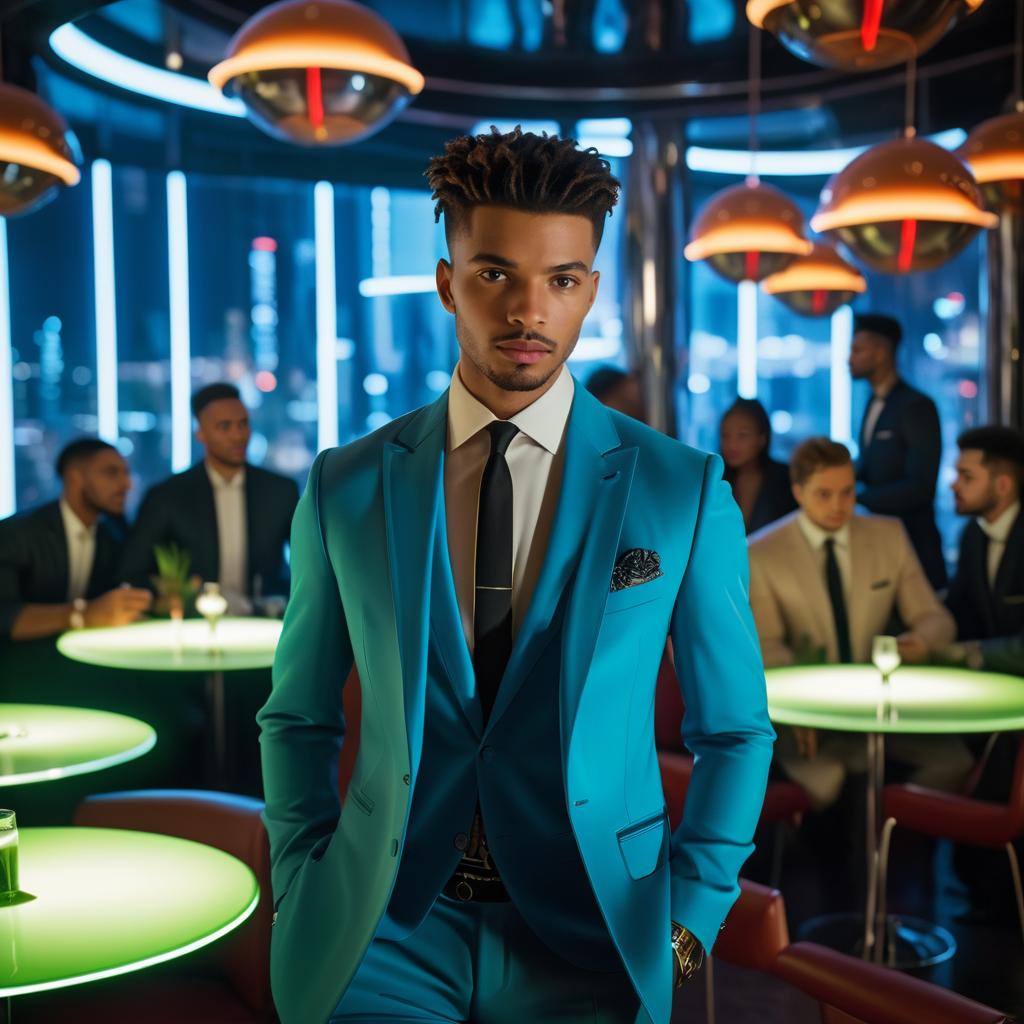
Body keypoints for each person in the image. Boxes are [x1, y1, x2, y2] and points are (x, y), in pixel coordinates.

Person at [259, 127, 775, 1024]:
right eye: (495, 274)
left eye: (561, 281)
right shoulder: (347, 483)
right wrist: (303, 871)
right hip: (386, 928)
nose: (528, 311)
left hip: (592, 932)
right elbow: (297, 715)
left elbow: (734, 730)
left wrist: (689, 920)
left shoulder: (677, 486)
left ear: (592, 292)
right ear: (447, 283)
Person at [747, 437, 969, 810]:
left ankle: (893, 844)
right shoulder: (761, 553)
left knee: (955, 762)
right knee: (827, 783)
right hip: (805, 714)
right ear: (798, 492)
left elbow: (937, 618)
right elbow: (768, 648)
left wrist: (921, 639)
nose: (838, 505)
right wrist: (800, 711)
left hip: (881, 709)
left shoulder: (888, 536)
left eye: (847, 492)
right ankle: (834, 857)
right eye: (824, 494)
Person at [118, 383, 299, 612]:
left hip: (265, 620)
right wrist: (170, 596)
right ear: (200, 434)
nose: (238, 435)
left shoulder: (280, 491)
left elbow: (310, 563)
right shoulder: (168, 495)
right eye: (224, 427)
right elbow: (131, 571)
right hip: (192, 624)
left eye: (243, 424)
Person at [0, 438, 151, 641]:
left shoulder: (113, 535)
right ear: (74, 478)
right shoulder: (17, 533)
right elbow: (4, 615)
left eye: (126, 473)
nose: (127, 484)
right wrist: (84, 615)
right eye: (111, 473)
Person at [849, 313, 947, 591]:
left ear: (880, 353)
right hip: (881, 543)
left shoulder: (916, 406)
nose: (849, 359)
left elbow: (920, 487)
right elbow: (870, 465)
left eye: (857, 350)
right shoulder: (873, 402)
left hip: (915, 546)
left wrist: (856, 498)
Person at [943, 426, 1024, 675]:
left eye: (967, 477)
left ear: (1002, 485)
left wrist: (968, 654)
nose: (954, 486)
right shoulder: (972, 534)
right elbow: (958, 609)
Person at [718, 397, 796, 535]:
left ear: (762, 439)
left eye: (742, 435)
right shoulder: (714, 481)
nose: (732, 444)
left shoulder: (786, 479)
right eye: (725, 436)